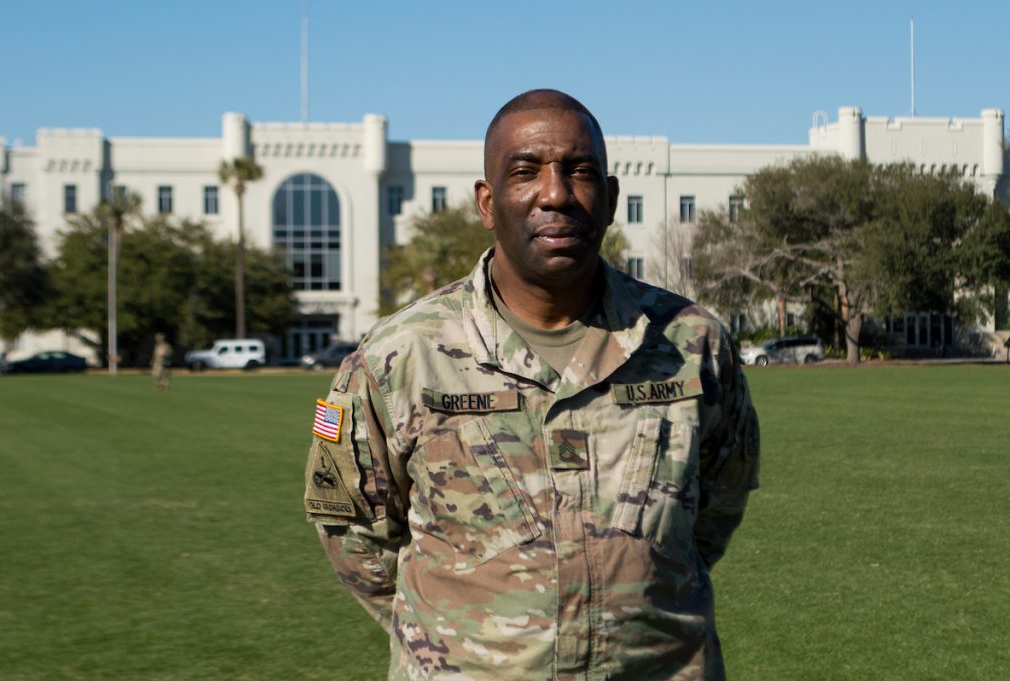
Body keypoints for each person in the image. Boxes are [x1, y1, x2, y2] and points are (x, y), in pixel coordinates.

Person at [303, 89, 760, 680]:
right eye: (526, 172)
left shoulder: (692, 345)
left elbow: (719, 503)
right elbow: (353, 533)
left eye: (580, 171)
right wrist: (457, 639)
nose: (555, 194)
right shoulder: (399, 356)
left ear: (612, 198)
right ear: (487, 202)